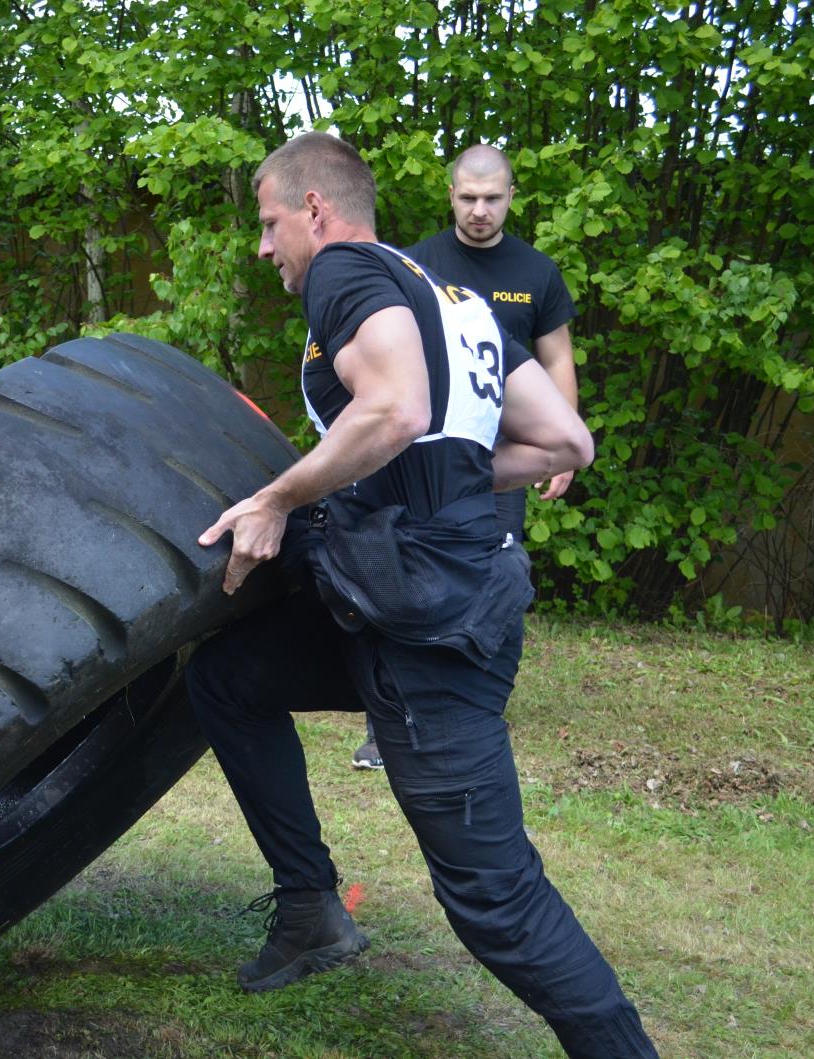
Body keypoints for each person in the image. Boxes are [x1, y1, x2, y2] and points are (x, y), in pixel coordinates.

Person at [188, 132, 657, 1058]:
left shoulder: (343, 272)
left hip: (433, 635)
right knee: (229, 677)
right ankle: (310, 911)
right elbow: (566, 441)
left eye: (270, 222)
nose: (265, 245)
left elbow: (396, 408)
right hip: (408, 600)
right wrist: (429, 480)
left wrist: (279, 499)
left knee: (494, 900)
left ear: (315, 209)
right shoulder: (453, 297)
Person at [350, 143, 581, 772]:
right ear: (451, 195)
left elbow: (557, 358)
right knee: (403, 574)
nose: (480, 210)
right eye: (469, 197)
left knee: (495, 574)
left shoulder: (537, 271)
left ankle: (476, 707)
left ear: (511, 197)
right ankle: (386, 725)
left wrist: (562, 446)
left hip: (501, 457)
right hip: (423, 454)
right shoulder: (415, 263)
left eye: (492, 198)